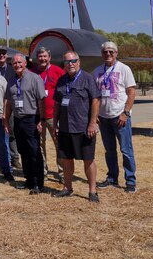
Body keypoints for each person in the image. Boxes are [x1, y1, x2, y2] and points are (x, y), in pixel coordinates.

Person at [52, 51, 101, 202]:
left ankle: (92, 191)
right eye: (67, 62)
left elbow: (95, 100)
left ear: (79, 62)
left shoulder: (88, 78)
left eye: (73, 61)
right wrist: (55, 124)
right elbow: (57, 104)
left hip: (84, 128)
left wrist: (92, 123)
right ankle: (67, 188)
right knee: (66, 160)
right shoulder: (61, 81)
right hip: (66, 128)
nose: (70, 64)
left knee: (88, 159)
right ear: (64, 64)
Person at [93, 41, 138, 193]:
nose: (108, 54)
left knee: (126, 150)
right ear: (102, 54)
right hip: (103, 118)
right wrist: (95, 115)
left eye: (111, 52)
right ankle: (112, 178)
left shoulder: (124, 69)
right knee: (109, 150)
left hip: (120, 117)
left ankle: (130, 181)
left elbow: (131, 92)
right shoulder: (97, 71)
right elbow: (94, 95)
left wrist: (125, 113)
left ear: (116, 53)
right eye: (105, 52)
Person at [3, 53, 47, 194]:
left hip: (31, 119)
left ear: (25, 63)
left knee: (34, 151)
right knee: (23, 151)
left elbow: (41, 100)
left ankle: (38, 183)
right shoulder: (11, 81)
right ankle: (28, 180)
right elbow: (9, 103)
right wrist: (6, 120)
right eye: (14, 63)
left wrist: (42, 120)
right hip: (18, 119)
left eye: (20, 62)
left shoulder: (35, 78)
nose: (17, 65)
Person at [30, 46, 65, 180]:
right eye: (40, 56)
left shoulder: (57, 71)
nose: (42, 59)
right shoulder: (32, 73)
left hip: (54, 115)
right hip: (37, 116)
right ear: (36, 58)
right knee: (39, 144)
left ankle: (62, 173)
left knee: (59, 144)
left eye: (45, 56)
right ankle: (42, 171)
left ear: (49, 57)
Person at [0, 47, 21, 169]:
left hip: (10, 105)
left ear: (6, 55)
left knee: (11, 133)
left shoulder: (12, 69)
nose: (1, 55)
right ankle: (1, 159)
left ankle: (15, 158)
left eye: (3, 53)